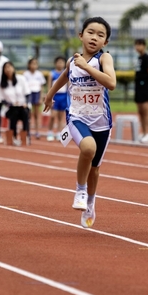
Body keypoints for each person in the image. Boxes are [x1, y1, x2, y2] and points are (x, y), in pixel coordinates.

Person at [43, 16, 116, 229]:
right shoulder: (72, 61)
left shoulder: (104, 59)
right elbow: (64, 76)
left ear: (105, 42)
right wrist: (50, 95)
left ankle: (90, 203)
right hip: (76, 117)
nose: (94, 38)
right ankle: (80, 190)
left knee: (95, 168)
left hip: (102, 122)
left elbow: (111, 83)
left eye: (100, 35)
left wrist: (87, 67)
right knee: (88, 148)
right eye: (90, 32)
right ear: (81, 35)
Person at [0, 61, 31, 146]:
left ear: (13, 68)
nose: (8, 69)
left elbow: (27, 94)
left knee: (25, 113)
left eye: (9, 67)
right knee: (14, 114)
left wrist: (26, 103)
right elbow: (2, 99)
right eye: (5, 68)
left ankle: (25, 136)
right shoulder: (2, 84)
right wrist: (11, 103)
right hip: (10, 107)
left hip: (23, 106)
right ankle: (13, 137)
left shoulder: (21, 79)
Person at [134, 38, 148, 143]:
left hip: (145, 86)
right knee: (141, 111)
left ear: (144, 46)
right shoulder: (139, 58)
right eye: (136, 45)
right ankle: (144, 132)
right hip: (138, 87)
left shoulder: (146, 57)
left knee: (147, 111)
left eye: (139, 45)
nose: (137, 47)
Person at [24, 58, 46, 139]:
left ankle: (37, 131)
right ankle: (28, 131)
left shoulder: (39, 74)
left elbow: (41, 87)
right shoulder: (26, 74)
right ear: (29, 65)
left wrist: (40, 97)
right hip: (29, 95)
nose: (34, 65)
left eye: (35, 63)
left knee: (37, 114)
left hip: (36, 94)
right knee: (28, 114)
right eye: (32, 63)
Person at [46, 56, 68, 141]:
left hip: (63, 97)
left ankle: (59, 133)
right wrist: (49, 96)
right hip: (55, 97)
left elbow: (69, 86)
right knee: (53, 116)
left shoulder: (66, 73)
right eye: (59, 62)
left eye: (62, 62)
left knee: (60, 117)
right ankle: (50, 132)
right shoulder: (52, 74)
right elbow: (49, 87)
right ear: (55, 63)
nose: (60, 64)